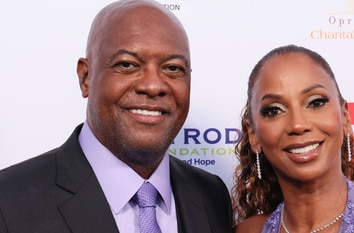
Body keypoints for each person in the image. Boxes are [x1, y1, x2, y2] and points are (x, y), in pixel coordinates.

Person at [0, 0, 232, 232]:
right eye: (127, 64)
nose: (153, 85)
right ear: (86, 77)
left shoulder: (212, 195)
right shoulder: (8, 200)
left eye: (172, 68)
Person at [232, 44, 354, 233]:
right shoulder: (247, 231)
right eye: (274, 110)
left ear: (345, 117)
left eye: (316, 102)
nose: (298, 125)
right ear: (253, 135)